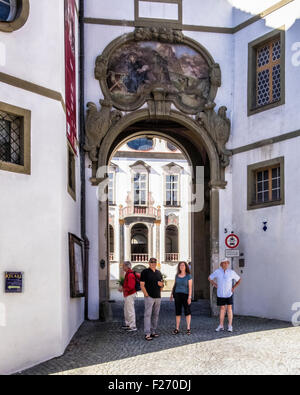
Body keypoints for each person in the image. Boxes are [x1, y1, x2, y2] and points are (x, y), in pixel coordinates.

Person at [208, 259, 241, 332]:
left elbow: (239, 280)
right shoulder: (217, 271)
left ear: (228, 264)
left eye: (226, 263)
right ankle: (221, 325)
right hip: (220, 294)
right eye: (223, 263)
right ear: (221, 264)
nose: (225, 264)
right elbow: (210, 278)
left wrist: (233, 288)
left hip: (229, 293)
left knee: (229, 309)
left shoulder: (231, 272)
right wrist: (214, 284)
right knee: (222, 309)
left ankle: (230, 326)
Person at [140, 258, 164, 341]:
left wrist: (161, 286)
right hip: (149, 297)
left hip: (158, 297)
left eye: (154, 262)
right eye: (151, 262)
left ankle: (153, 331)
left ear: (156, 263)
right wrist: (146, 294)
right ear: (149, 263)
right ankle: (147, 333)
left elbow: (162, 284)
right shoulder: (145, 272)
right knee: (147, 315)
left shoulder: (158, 272)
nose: (153, 264)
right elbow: (142, 284)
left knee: (156, 315)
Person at [170, 261, 193, 335]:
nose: (182, 267)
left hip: (185, 295)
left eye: (183, 265)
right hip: (177, 295)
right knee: (178, 312)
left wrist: (189, 297)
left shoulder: (188, 276)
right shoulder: (177, 275)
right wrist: (171, 294)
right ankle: (177, 328)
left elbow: (190, 287)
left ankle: (188, 328)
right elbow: (175, 285)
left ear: (186, 267)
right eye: (180, 265)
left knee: (187, 311)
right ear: (179, 267)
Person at [121, 261, 137, 332]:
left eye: (123, 266)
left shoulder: (130, 275)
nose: (122, 267)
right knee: (126, 310)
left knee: (130, 310)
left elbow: (131, 286)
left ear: (127, 267)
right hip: (128, 294)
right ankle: (128, 324)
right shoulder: (128, 274)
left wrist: (123, 289)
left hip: (130, 294)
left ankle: (133, 326)